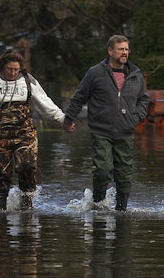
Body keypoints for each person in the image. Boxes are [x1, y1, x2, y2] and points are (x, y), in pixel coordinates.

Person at [0, 49, 67, 211]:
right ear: (2, 67)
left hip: (25, 135)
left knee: (27, 166)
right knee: (1, 175)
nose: (13, 72)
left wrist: (63, 119)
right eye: (10, 69)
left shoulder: (28, 81)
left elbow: (45, 104)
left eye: (17, 69)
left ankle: (26, 207)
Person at [63, 34, 150, 211]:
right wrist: (68, 119)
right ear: (110, 51)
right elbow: (79, 97)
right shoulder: (95, 72)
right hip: (101, 130)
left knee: (124, 175)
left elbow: (144, 99)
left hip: (126, 131)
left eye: (126, 49)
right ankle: (98, 204)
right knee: (102, 170)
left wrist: (136, 117)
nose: (124, 53)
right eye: (120, 49)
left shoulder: (135, 75)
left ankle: (121, 209)